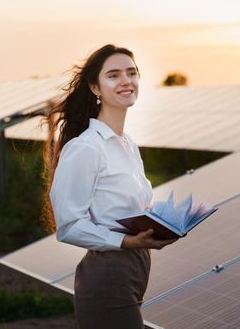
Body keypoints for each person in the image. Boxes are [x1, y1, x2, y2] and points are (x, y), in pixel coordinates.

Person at [42, 44, 178, 329]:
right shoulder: (86, 148)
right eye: (114, 75)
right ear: (95, 87)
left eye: (132, 73)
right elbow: (69, 225)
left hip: (135, 266)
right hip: (108, 272)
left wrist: (164, 222)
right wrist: (128, 242)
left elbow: (129, 207)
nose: (126, 81)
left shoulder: (128, 145)